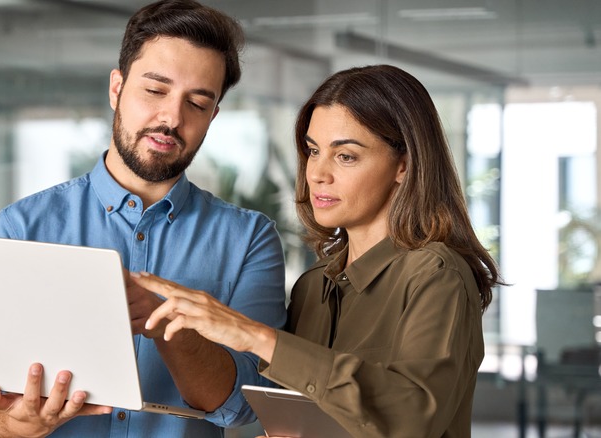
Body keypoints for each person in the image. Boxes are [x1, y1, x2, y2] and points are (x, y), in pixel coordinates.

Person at [0, 1, 288, 436]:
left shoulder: (248, 239)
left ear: (213, 116)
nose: (172, 118)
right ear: (117, 87)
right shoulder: (21, 228)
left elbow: (246, 404)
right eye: (155, 90)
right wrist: (11, 425)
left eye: (198, 103)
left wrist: (165, 321)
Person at [134, 64, 505, 438]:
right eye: (313, 151)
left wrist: (256, 336)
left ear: (404, 165)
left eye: (346, 156)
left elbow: (414, 417)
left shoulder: (436, 274)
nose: (317, 174)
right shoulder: (312, 287)